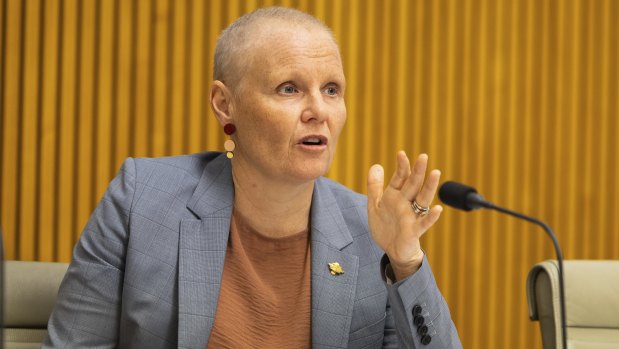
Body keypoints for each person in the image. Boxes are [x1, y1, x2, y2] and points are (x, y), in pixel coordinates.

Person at [43, 7, 461, 349]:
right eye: (289, 89)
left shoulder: (370, 228)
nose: (319, 110)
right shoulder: (142, 200)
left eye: (332, 89)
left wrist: (406, 263)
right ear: (225, 104)